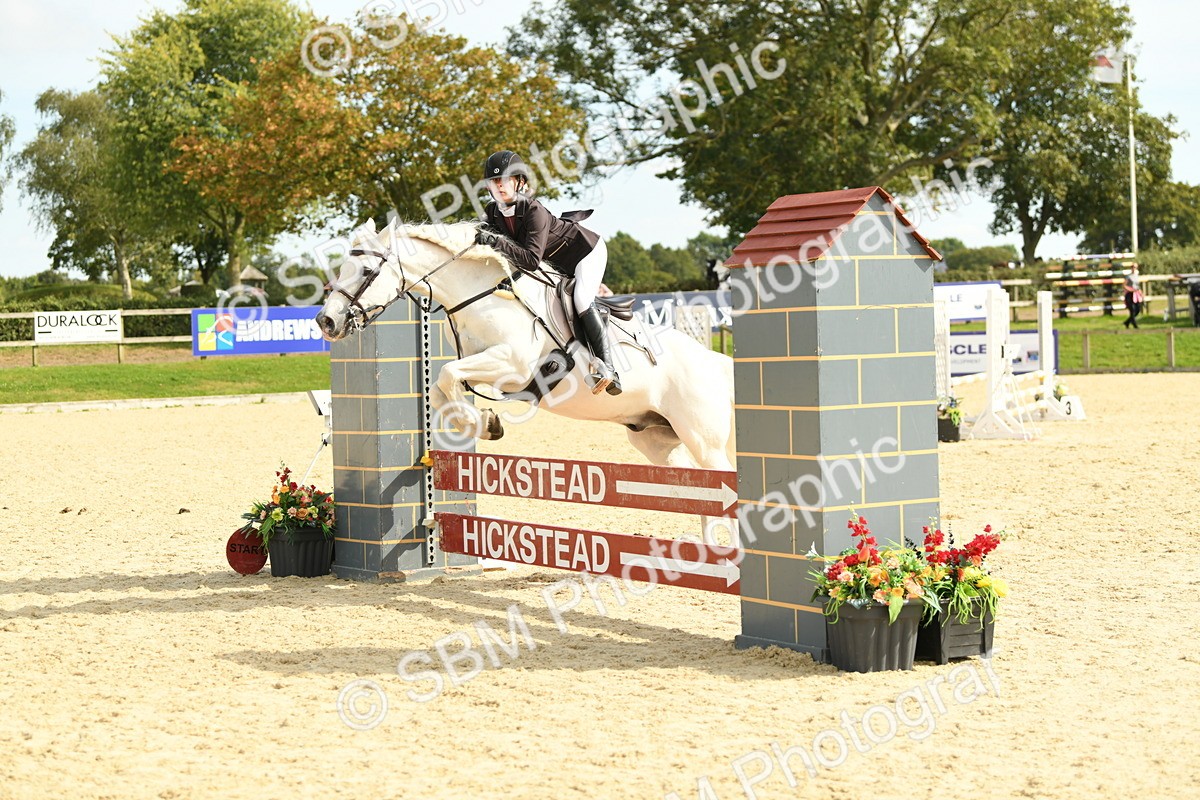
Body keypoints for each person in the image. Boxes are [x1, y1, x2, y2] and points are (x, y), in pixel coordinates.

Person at [473, 150, 621, 395]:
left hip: (584, 252)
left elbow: (530, 260)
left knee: (582, 298)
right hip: (553, 262)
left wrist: (495, 242)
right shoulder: (492, 212)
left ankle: (608, 368)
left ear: (519, 182)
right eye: (494, 181)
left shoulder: (534, 211)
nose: (499, 185)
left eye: (505, 180)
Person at [1123, 263, 1143, 329]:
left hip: (1136, 294)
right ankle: (1135, 325)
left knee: (1137, 309)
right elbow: (1124, 285)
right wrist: (1130, 290)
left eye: (1135, 267)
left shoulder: (1137, 276)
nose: (1134, 268)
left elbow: (1137, 286)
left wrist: (1140, 292)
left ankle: (1127, 322)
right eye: (1132, 267)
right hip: (1130, 294)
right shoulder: (1128, 276)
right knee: (1132, 310)